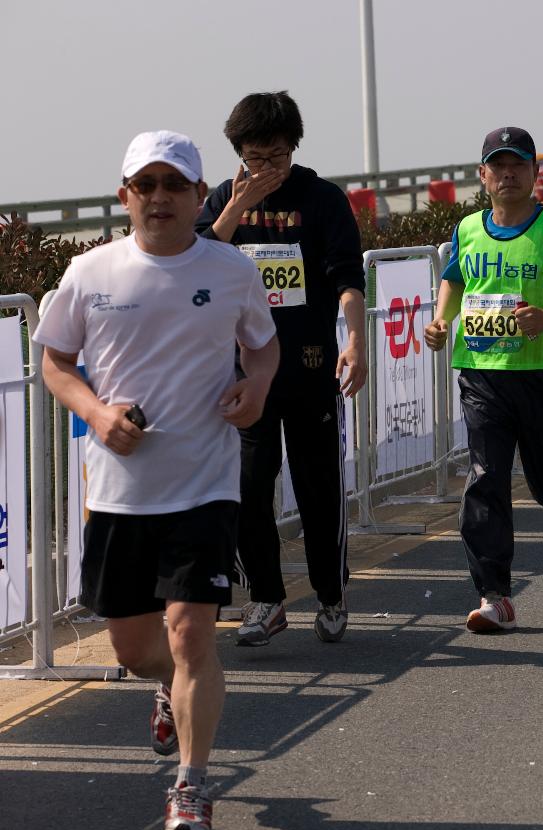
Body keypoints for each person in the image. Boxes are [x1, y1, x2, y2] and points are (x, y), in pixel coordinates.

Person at [34, 130, 279, 830]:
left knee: (190, 634)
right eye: (147, 185)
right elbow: (54, 362)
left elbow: (262, 347)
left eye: (176, 185)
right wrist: (96, 412)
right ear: (125, 196)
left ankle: (191, 787)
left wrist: (257, 387)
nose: (161, 197)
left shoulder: (231, 269)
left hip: (204, 484)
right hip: (117, 492)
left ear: (202, 198)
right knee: (138, 652)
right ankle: (170, 696)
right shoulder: (89, 271)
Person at [196, 91, 367, 646]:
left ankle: (331, 595)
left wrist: (356, 340)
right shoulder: (224, 199)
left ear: (293, 147)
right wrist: (233, 210)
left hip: (309, 366)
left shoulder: (322, 199)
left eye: (275, 156)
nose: (265, 168)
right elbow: (194, 262)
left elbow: (346, 277)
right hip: (244, 377)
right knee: (246, 488)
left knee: (318, 488)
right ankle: (265, 599)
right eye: (253, 157)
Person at [424, 127, 543, 632]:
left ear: (534, 173)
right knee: (486, 478)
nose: (508, 174)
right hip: (482, 373)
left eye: (518, 165)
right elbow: (456, 278)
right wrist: (442, 320)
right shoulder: (467, 229)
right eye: (498, 166)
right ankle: (494, 595)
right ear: (483, 175)